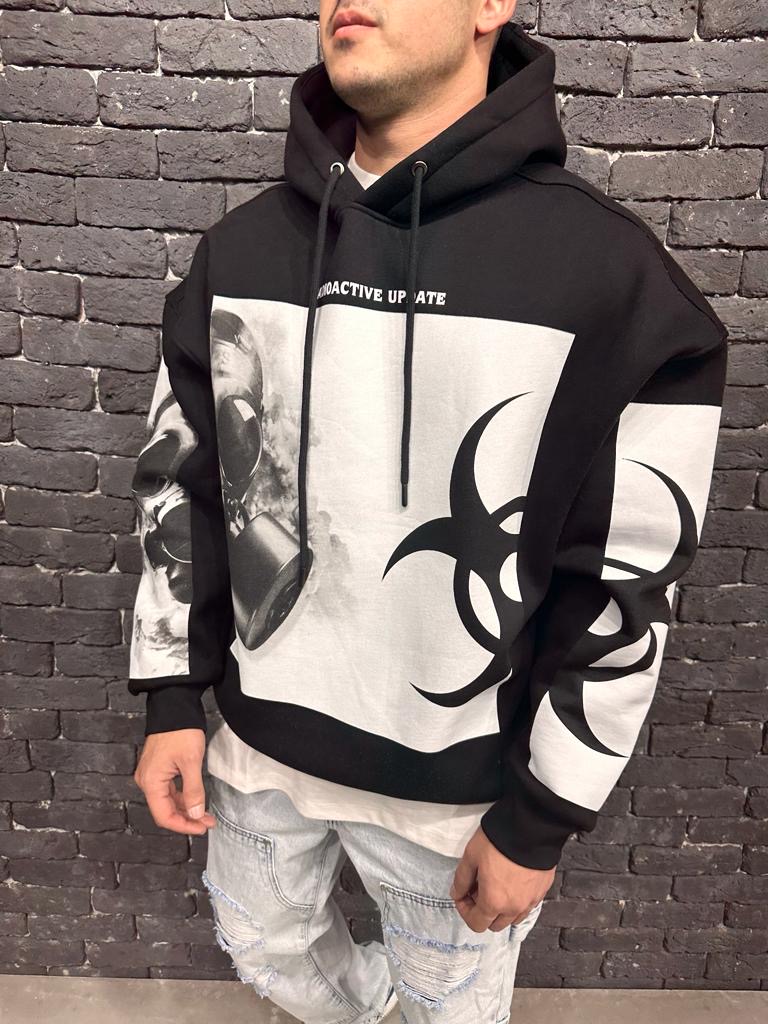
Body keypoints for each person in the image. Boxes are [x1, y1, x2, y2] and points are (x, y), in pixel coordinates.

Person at [128, 1, 728, 1021]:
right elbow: (180, 480)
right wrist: (173, 699)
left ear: (492, 6)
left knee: (451, 1007)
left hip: (456, 794)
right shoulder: (243, 251)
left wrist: (542, 817)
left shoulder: (612, 281)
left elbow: (629, 573)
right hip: (258, 750)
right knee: (267, 950)